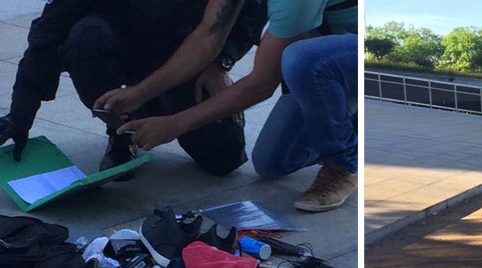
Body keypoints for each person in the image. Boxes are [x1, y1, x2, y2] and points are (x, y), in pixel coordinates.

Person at [98, 0, 358, 212]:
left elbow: (261, 84)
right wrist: (139, 93)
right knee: (273, 163)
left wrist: (174, 124)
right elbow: (207, 37)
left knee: (302, 59)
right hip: (328, 59)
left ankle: (344, 164)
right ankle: (350, 124)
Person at [0, 0, 267, 181]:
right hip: (124, 49)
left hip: (188, 59)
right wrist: (21, 114)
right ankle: (121, 132)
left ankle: (157, 110)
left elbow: (249, 10)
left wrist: (221, 62)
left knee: (224, 160)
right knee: (84, 37)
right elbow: (47, 33)